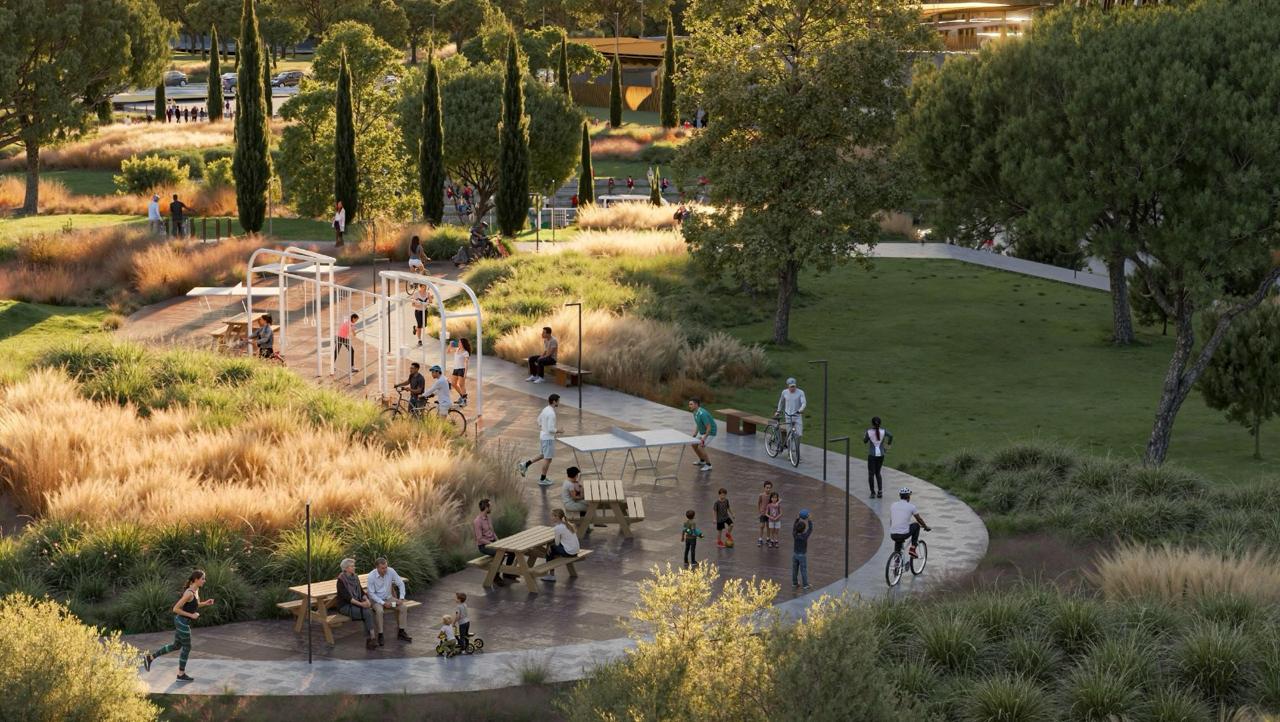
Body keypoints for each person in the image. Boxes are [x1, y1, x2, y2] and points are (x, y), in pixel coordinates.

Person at [144, 570, 214, 681]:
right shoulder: (189, 593)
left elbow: (194, 605)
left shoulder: (196, 590)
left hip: (182, 621)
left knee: (176, 645)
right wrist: (191, 615)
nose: (204, 581)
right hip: (182, 622)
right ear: (196, 579)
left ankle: (150, 658)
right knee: (187, 647)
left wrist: (205, 603)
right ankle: (181, 674)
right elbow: (175, 609)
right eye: (203, 579)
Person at [366, 557, 412, 645]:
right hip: (377, 601)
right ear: (377, 568)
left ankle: (401, 632)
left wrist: (401, 598)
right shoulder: (371, 576)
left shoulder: (391, 571)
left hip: (389, 599)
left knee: (403, 607)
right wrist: (383, 603)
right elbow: (371, 594)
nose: (385, 570)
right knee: (379, 611)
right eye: (383, 568)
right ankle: (380, 634)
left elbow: (400, 583)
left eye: (386, 567)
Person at [335, 558, 378, 650]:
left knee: (367, 612)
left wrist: (366, 600)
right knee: (367, 613)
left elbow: (361, 591)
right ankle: (372, 637)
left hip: (356, 603)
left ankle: (370, 639)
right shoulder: (341, 581)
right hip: (345, 606)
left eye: (354, 566)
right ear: (346, 568)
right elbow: (347, 597)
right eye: (352, 566)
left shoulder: (355, 577)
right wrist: (361, 604)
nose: (354, 567)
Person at [517, 394, 560, 485]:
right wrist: (559, 431)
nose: (559, 402)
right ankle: (542, 479)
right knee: (548, 459)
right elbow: (551, 429)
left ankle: (525, 464)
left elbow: (538, 420)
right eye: (558, 401)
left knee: (543, 455)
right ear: (554, 401)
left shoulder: (545, 409)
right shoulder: (551, 413)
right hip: (548, 438)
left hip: (543, 436)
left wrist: (543, 427)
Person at [473, 499, 516, 585]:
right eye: (490, 506)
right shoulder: (477, 521)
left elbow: (492, 532)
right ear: (486, 507)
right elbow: (479, 538)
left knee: (512, 552)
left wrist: (498, 541)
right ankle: (495, 577)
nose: (491, 508)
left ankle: (506, 573)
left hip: (493, 542)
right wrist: (492, 544)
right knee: (500, 554)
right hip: (484, 546)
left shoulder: (488, 518)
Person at [889, 487, 931, 559]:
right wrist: (925, 527)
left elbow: (893, 519)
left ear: (900, 496)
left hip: (893, 534)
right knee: (916, 525)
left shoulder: (893, 505)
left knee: (898, 541)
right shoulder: (911, 507)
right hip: (903, 534)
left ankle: (896, 562)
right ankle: (913, 548)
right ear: (908, 497)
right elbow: (919, 519)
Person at [541, 508, 580, 582]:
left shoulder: (558, 528)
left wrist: (549, 545)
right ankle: (551, 573)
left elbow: (557, 543)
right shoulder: (568, 524)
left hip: (569, 552)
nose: (551, 517)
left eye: (552, 516)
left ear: (557, 517)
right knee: (551, 548)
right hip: (575, 550)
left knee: (550, 549)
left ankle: (551, 575)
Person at [863, 416, 894, 499]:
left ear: (872, 423)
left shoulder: (869, 432)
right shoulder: (883, 431)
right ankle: (880, 492)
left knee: (871, 474)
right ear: (880, 423)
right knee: (878, 473)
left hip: (872, 455)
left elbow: (865, 441)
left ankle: (872, 493)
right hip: (881, 455)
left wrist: (865, 434)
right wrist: (887, 446)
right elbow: (891, 436)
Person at [688, 398, 716, 471]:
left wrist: (704, 438)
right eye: (689, 404)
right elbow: (698, 423)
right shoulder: (695, 412)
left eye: (691, 404)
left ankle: (709, 465)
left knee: (700, 447)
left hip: (710, 432)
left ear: (696, 404)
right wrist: (695, 433)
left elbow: (709, 427)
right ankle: (702, 460)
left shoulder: (702, 414)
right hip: (702, 432)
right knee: (693, 444)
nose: (689, 406)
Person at [792, 510, 813, 590]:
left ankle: (794, 583)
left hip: (795, 555)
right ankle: (805, 585)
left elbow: (794, 527)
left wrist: (797, 519)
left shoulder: (794, 534)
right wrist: (809, 520)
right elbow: (810, 529)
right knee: (803, 570)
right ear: (804, 529)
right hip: (802, 555)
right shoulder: (804, 536)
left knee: (794, 569)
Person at [449, 338, 471, 406]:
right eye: (458, 342)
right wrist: (450, 345)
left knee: (461, 385)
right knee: (453, 383)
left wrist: (465, 373)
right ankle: (462, 396)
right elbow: (448, 351)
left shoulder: (465, 352)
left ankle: (464, 401)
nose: (458, 343)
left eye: (460, 342)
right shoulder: (457, 349)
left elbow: (466, 363)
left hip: (461, 369)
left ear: (463, 344)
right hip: (455, 369)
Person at [756, 480, 774, 547]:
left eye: (769, 488)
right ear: (764, 488)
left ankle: (768, 539)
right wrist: (759, 511)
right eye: (767, 487)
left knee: (769, 527)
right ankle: (760, 539)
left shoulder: (772, 496)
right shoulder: (761, 495)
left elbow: (775, 502)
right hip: (763, 513)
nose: (768, 489)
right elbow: (759, 503)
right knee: (762, 526)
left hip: (769, 514)